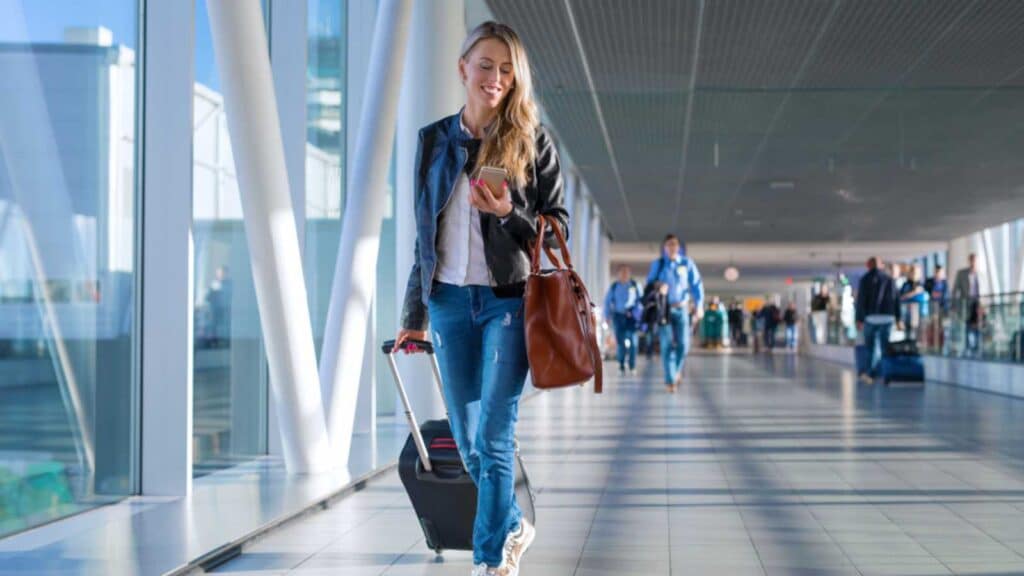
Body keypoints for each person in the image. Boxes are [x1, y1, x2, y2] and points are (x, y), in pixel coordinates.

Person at [393, 22, 567, 576]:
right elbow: (424, 235)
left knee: (494, 437)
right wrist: (413, 316)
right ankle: (513, 521)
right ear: (463, 68)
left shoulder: (531, 140)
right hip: (446, 301)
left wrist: (506, 214)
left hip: (509, 303)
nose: (495, 78)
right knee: (469, 441)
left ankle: (490, 562)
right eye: (486, 65)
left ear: (516, 80)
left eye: (507, 69)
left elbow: (557, 228)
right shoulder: (432, 140)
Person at [646, 234, 704, 392]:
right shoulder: (658, 264)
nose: (672, 248)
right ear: (665, 248)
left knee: (684, 345)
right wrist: (659, 286)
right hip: (664, 309)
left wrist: (699, 306)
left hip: (682, 308)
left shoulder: (687, 263)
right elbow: (649, 284)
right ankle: (670, 380)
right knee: (666, 345)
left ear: (678, 247)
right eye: (669, 245)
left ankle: (676, 371)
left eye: (674, 245)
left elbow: (697, 285)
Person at [856, 257, 902, 384]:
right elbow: (896, 299)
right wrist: (898, 318)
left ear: (868, 265)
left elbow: (860, 301)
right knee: (884, 348)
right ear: (881, 265)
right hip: (887, 318)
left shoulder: (865, 279)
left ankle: (871, 374)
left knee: (870, 348)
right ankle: (886, 374)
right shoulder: (889, 279)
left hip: (870, 318)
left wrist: (859, 319)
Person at [604, 265, 643, 375]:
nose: (625, 274)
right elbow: (607, 303)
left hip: (632, 318)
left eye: (627, 272)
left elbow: (641, 302)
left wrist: (638, 315)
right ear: (618, 274)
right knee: (620, 342)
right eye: (622, 272)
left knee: (633, 342)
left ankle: (632, 365)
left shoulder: (635, 286)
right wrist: (607, 317)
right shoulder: (614, 287)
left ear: (630, 274)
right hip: (618, 316)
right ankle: (621, 365)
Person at [953, 253, 984, 357]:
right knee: (966, 326)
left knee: (978, 325)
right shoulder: (961, 273)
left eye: (975, 260)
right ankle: (967, 347)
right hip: (965, 303)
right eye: (972, 260)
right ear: (969, 261)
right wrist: (955, 305)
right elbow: (955, 290)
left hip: (977, 304)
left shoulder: (980, 275)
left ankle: (977, 347)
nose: (973, 262)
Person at [899, 264, 929, 341]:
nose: (916, 275)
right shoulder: (906, 284)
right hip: (908, 313)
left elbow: (926, 297)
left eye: (918, 273)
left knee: (920, 333)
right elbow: (901, 297)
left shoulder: (922, 284)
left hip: (921, 313)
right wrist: (914, 292)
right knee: (909, 333)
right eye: (914, 273)